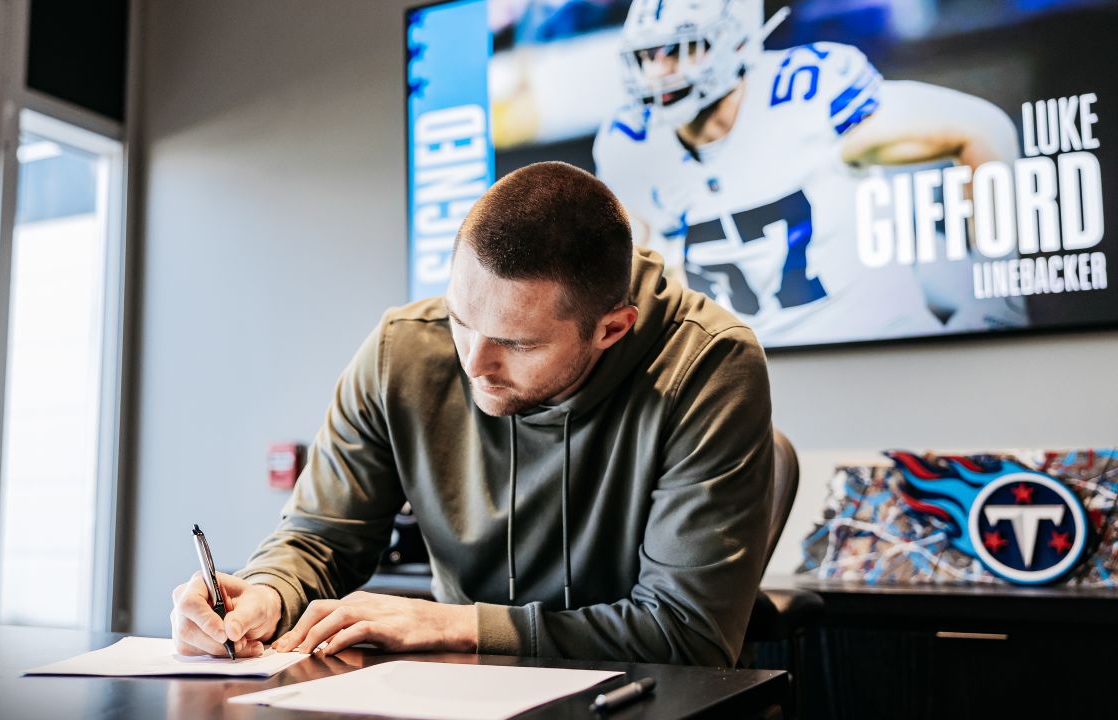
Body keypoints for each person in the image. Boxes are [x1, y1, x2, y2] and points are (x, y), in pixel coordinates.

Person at [170, 161, 773, 666]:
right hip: (457, 692)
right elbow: (320, 536)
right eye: (460, 319)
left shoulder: (708, 365)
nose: (475, 363)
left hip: (632, 696)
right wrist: (267, 593)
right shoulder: (399, 350)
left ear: (611, 329)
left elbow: (688, 634)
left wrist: (456, 625)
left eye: (518, 343)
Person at [594, 0, 1024, 348]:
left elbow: (982, 132)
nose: (657, 72)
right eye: (647, 55)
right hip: (756, 383)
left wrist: (993, 302)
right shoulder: (630, 144)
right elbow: (651, 274)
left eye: (680, 50)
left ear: (736, 43)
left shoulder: (807, 99)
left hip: (885, 353)